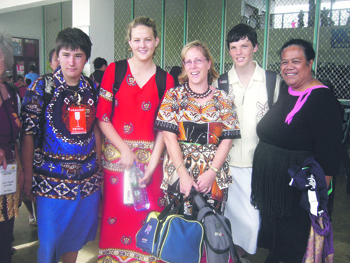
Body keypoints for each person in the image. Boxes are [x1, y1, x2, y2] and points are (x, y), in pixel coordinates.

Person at [251, 39, 343, 263]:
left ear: (310, 63)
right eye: (284, 62)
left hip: (299, 188)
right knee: (278, 235)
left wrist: (320, 198)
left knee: (296, 237)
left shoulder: (323, 99)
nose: (288, 66)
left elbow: (330, 154)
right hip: (275, 188)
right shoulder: (286, 89)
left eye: (296, 61)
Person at [21, 27, 102, 263]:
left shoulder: (91, 88)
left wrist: (98, 164)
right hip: (50, 183)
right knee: (49, 244)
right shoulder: (42, 87)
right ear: (57, 55)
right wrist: (28, 176)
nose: (71, 62)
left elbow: (96, 127)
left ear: (86, 58)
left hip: (87, 181)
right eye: (66, 55)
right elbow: (28, 134)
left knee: (75, 239)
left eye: (78, 56)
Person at [96, 16, 174, 263]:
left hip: (151, 168)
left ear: (156, 41)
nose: (142, 45)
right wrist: (124, 150)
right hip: (118, 165)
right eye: (137, 39)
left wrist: (152, 165)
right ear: (129, 42)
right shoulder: (114, 71)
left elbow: (164, 128)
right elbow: (102, 117)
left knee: (150, 223)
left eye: (148, 39)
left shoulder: (165, 79)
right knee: (115, 220)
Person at [155, 40, 240, 261]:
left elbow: (227, 140)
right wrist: (183, 174)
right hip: (180, 174)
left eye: (198, 60)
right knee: (180, 232)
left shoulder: (224, 98)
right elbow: (169, 137)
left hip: (213, 176)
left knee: (211, 230)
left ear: (208, 63)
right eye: (188, 61)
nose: (193, 66)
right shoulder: (173, 97)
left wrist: (211, 171)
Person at [212, 23, 282, 263]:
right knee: (226, 217)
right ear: (229, 51)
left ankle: (238, 254)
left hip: (259, 162)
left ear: (255, 48)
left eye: (244, 45)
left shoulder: (271, 81)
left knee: (252, 221)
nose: (239, 52)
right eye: (233, 47)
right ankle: (233, 256)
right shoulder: (221, 83)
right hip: (226, 164)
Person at [0, 30, 24, 263]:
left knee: (6, 229)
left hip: (7, 173)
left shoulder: (11, 91)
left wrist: (22, 170)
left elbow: (17, 135)